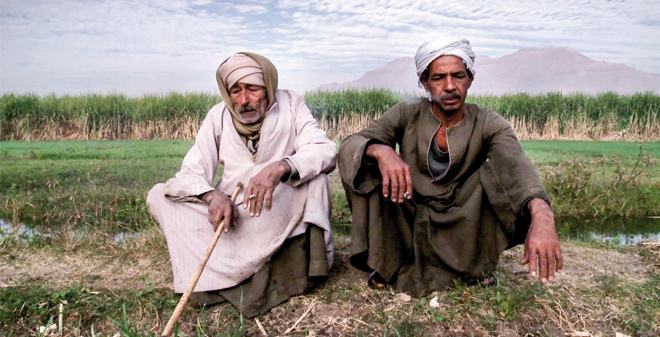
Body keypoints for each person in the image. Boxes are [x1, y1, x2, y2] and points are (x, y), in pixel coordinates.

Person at [337, 38, 563, 296]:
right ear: (424, 81)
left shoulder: (488, 121)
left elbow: (515, 163)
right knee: (366, 162)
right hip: (408, 208)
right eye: (438, 78)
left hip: (462, 216)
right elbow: (350, 144)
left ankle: (474, 266)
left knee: (496, 175)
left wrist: (542, 214)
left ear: (470, 79)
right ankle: (388, 260)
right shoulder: (407, 112)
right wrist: (381, 150)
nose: (449, 86)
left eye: (458, 76)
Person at [147, 52, 336, 317]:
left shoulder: (291, 103)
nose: (244, 100)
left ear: (268, 86)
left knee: (316, 178)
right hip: (234, 213)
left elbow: (323, 149)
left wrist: (280, 167)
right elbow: (191, 171)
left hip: (276, 205)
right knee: (159, 195)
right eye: (235, 91)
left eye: (252, 89)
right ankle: (226, 269)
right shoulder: (218, 116)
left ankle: (293, 267)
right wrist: (212, 196)